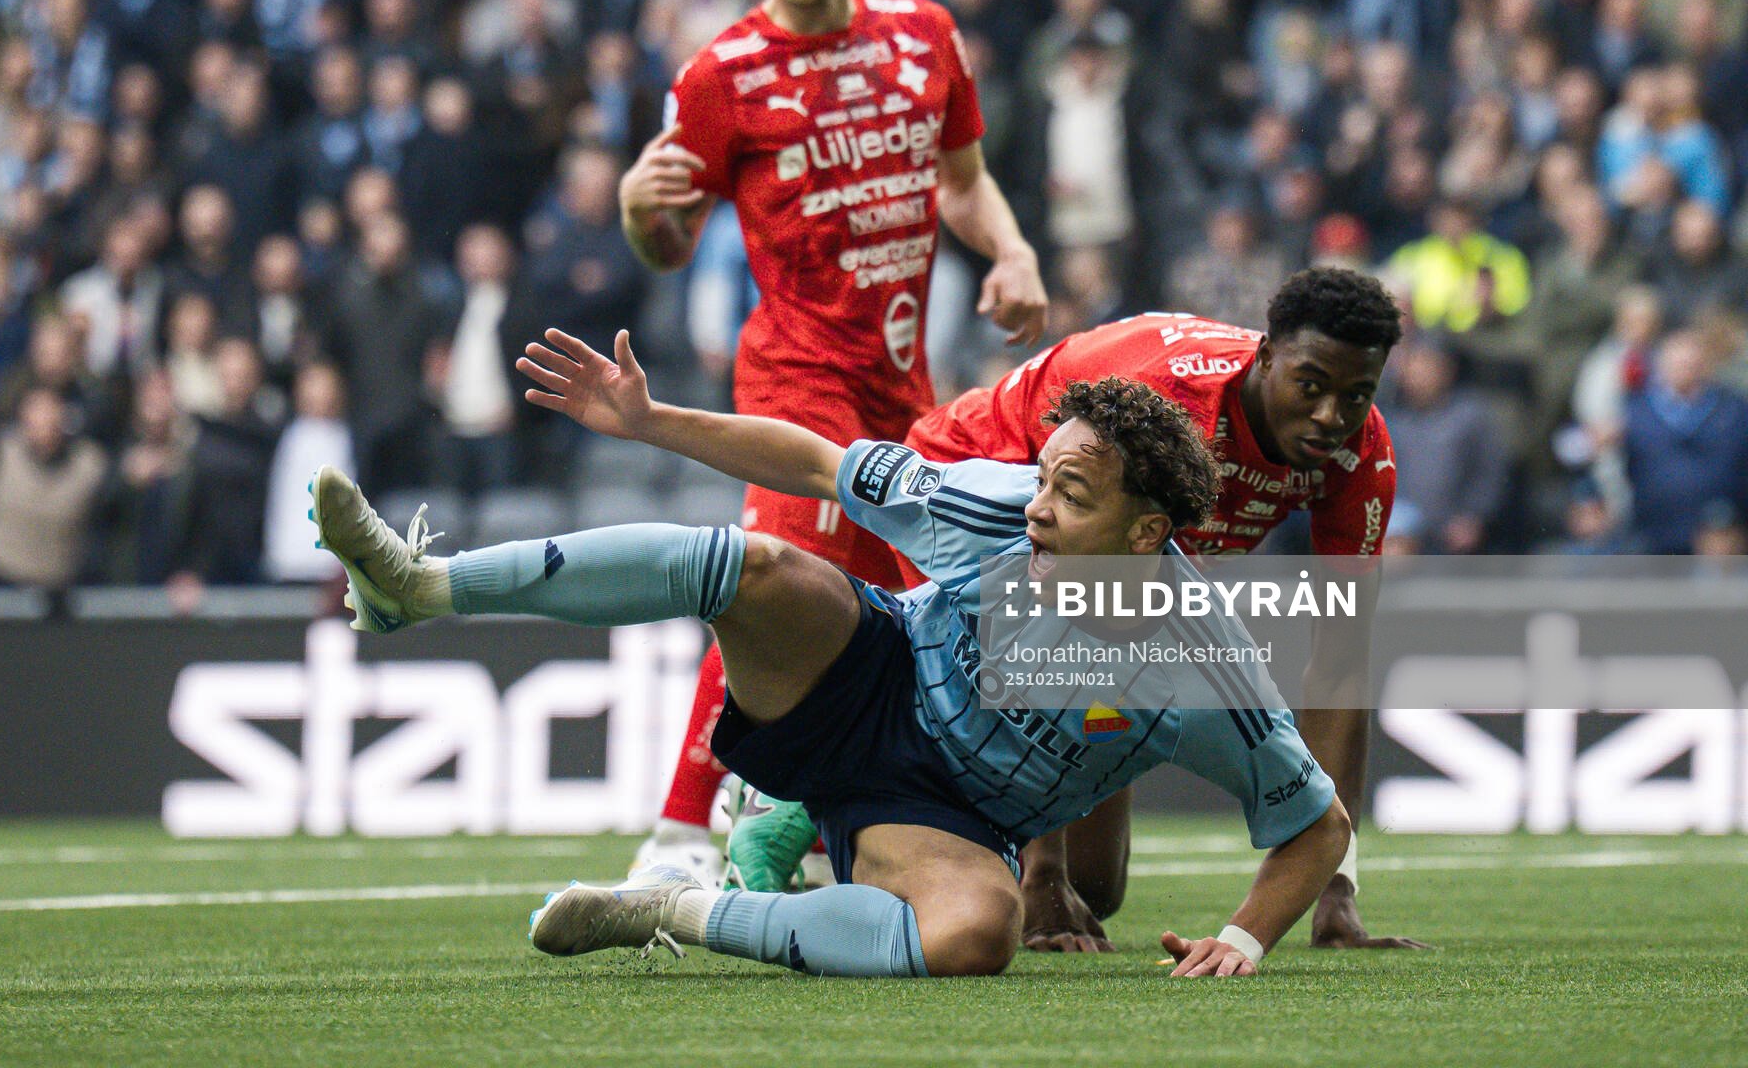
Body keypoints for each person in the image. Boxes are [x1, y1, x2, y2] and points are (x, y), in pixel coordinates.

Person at [309, 327, 1349, 978]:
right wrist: (648, 418)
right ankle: (420, 586)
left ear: (1142, 536)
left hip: (941, 815)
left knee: (974, 935)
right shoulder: (992, 504)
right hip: (865, 671)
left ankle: (673, 904)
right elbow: (815, 460)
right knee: (761, 564)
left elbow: (1315, 823)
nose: (1035, 511)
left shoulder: (1203, 661)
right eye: (1042, 480)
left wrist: (1245, 934)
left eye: (1071, 497)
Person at [731, 268, 1412, 952]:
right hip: (992, 490)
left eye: (1356, 395)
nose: (1331, 416)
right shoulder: (1170, 408)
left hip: (1102, 570)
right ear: (1265, 357)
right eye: (1312, 386)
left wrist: (1335, 889)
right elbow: (1061, 591)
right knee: (1032, 850)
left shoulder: (1360, 453)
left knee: (1098, 887)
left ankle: (848, 816)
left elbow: (1340, 661)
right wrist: (1043, 871)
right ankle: (802, 793)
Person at [617, 0, 1048, 882]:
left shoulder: (923, 34)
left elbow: (960, 180)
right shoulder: (719, 76)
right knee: (768, 588)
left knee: (908, 618)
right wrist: (638, 210)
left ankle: (820, 826)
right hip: (795, 378)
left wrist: (1014, 249)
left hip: (904, 392)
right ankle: (677, 836)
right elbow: (670, 244)